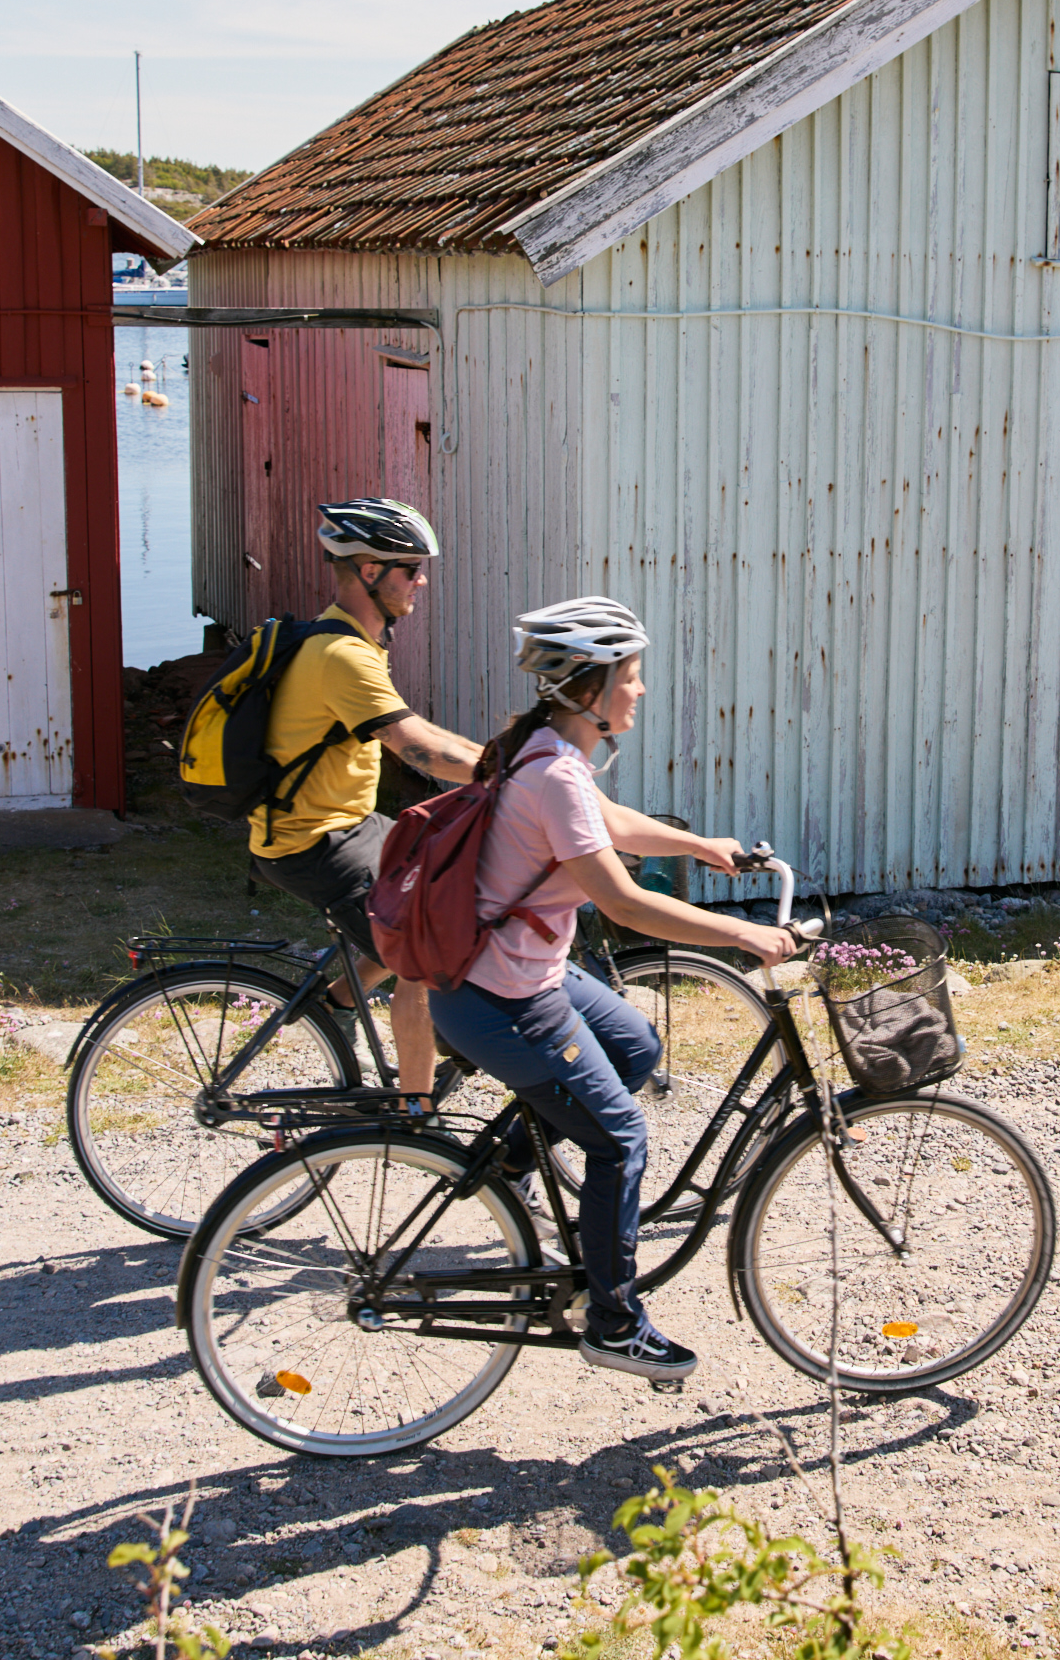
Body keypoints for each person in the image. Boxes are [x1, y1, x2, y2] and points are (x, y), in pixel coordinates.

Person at [427, 596, 799, 1383]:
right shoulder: (552, 773)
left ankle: (508, 1167)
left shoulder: (541, 749)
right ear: (588, 688)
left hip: (513, 978)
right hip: (502, 1002)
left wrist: (701, 845)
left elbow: (612, 825)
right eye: (629, 677)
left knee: (634, 1045)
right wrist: (744, 936)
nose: (639, 690)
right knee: (621, 1137)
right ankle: (613, 1321)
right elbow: (622, 903)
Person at [249, 498, 487, 1110]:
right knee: (425, 959)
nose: (422, 579)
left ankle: (338, 1003)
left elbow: (424, 730)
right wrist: (515, 774)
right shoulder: (342, 655)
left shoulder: (350, 641)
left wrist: (504, 762)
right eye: (411, 567)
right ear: (371, 571)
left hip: (345, 823)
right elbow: (419, 751)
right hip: (313, 841)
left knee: (444, 871)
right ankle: (417, 1117)